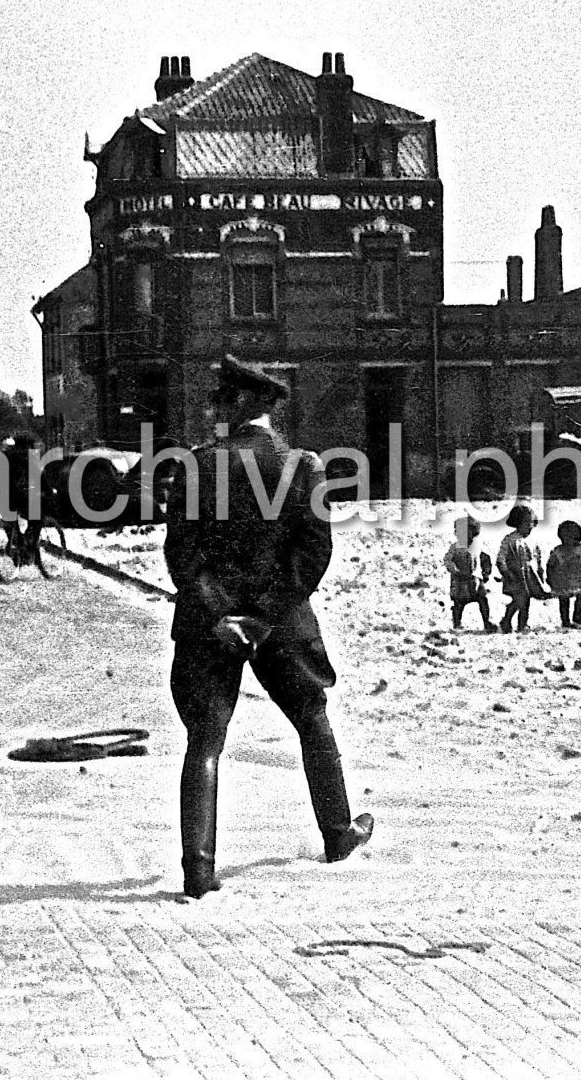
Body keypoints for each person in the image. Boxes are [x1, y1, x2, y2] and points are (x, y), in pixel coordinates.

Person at [162, 357, 373, 899]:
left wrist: (220, 616)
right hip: (283, 624)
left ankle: (199, 869)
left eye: (220, 400)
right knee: (311, 717)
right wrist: (264, 616)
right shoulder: (302, 465)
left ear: (242, 405)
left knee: (204, 741)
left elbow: (182, 555)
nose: (212, 408)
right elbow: (313, 551)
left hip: (208, 628)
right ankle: (338, 833)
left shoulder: (195, 465)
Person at [495, 502, 545, 633]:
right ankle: (507, 619)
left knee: (526, 601)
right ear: (517, 523)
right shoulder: (510, 540)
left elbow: (536, 558)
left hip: (528, 576)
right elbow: (501, 558)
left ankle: (522, 624)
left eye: (532, 523)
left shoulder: (532, 541)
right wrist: (505, 571)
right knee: (519, 599)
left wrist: (540, 571)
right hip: (515, 576)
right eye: (526, 523)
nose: (530, 526)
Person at [546, 519, 581, 628]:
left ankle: (577, 615)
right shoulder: (558, 551)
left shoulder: (578, 548)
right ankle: (565, 620)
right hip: (563, 579)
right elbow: (550, 565)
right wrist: (550, 577)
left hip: (577, 578)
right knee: (564, 600)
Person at [443, 515, 495, 632]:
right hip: (460, 580)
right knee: (458, 603)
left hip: (475, 580)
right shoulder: (455, 547)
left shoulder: (477, 547)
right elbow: (448, 560)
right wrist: (455, 570)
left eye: (469, 533)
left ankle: (487, 622)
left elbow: (485, 558)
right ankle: (457, 624)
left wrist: (486, 573)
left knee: (483, 600)